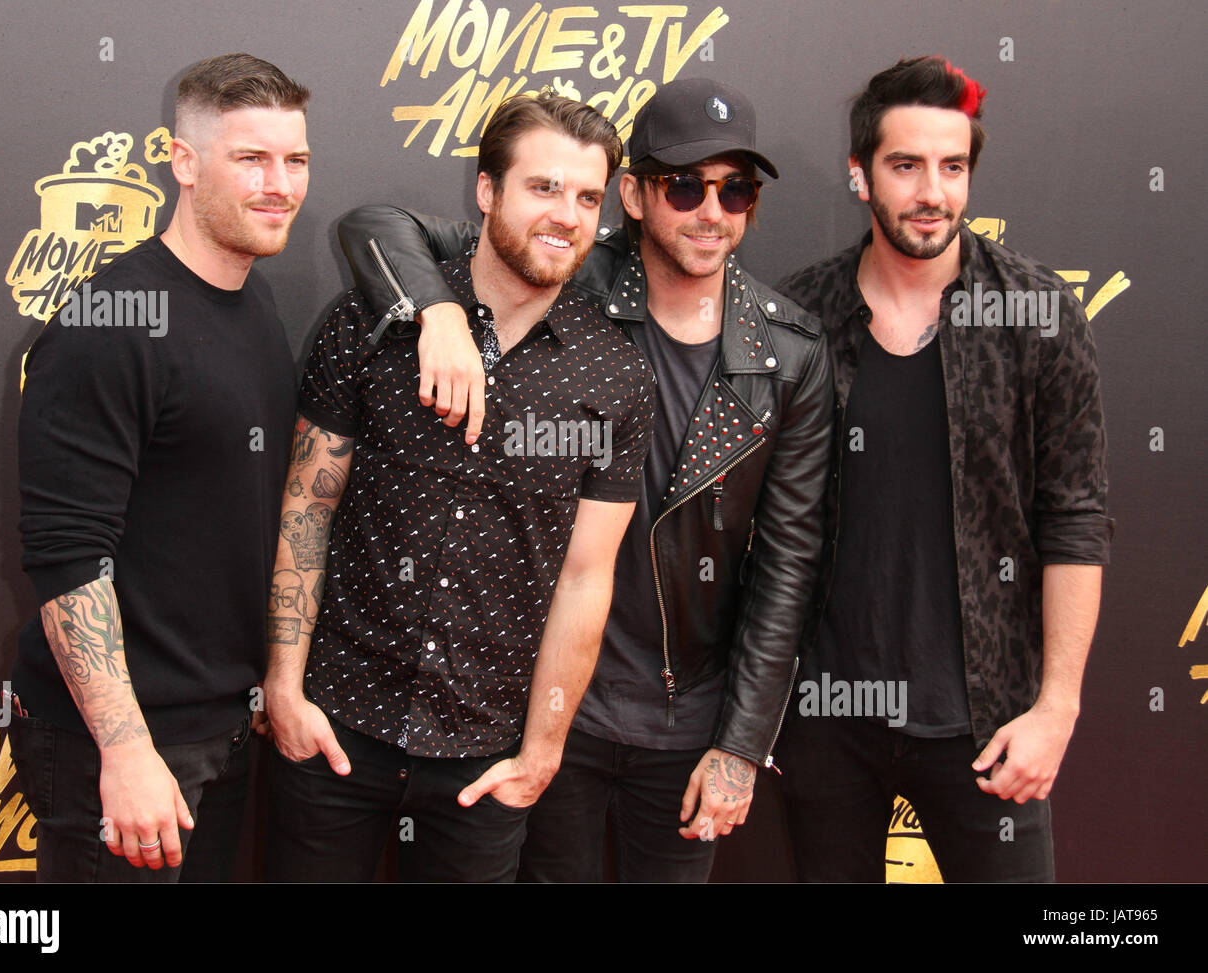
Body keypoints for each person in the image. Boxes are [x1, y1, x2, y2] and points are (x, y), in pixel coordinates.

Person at [335, 78, 832, 881]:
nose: (712, 210)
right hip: (547, 704)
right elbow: (373, 226)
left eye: (735, 189)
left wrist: (742, 744)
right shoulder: (566, 272)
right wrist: (441, 311)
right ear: (634, 196)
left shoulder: (789, 356)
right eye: (684, 185)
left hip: (684, 720)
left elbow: (788, 567)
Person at [262, 91, 655, 883]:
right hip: (334, 726)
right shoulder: (373, 323)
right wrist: (283, 687)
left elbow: (585, 575)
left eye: (587, 196)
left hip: (483, 761)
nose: (567, 215)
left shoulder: (615, 375)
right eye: (543, 188)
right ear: (486, 191)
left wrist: (542, 752)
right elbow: (308, 505)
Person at [774, 55, 1113, 882]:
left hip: (990, 723)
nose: (933, 191)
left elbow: (1076, 517)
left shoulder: (1035, 315)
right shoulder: (797, 319)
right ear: (861, 176)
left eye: (953, 166)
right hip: (826, 720)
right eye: (906, 165)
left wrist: (1055, 710)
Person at [10, 53, 310, 881]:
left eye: (296, 160)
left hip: (217, 722)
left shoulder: (253, 299)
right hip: (119, 743)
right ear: (182, 162)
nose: (279, 184)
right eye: (250, 158)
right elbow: (68, 556)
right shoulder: (110, 323)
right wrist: (127, 748)